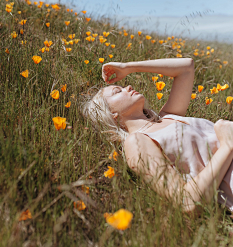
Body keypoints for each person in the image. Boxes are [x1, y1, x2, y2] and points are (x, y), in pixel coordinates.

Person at [82, 57, 233, 215]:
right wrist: (227, 145)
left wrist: (127, 67)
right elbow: (186, 201)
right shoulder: (137, 141)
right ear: (112, 114)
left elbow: (186, 67)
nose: (128, 86)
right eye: (117, 91)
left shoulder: (168, 116)